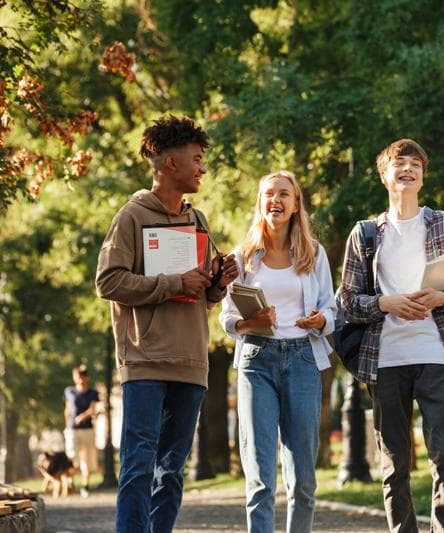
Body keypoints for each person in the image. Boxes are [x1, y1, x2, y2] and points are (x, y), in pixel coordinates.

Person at [95, 115, 238, 532]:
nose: (202, 168)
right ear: (168, 163)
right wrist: (174, 281)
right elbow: (108, 282)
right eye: (195, 159)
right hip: (145, 359)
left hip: (191, 360)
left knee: (172, 469)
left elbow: (204, 296)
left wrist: (217, 282)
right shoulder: (131, 217)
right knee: (139, 464)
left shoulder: (199, 221)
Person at [338, 139, 444, 532]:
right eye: (399, 164)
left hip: (439, 356)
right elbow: (348, 301)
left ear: (422, 176)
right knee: (394, 463)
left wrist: (441, 297)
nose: (408, 169)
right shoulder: (365, 234)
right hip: (386, 361)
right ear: (384, 174)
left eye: (416, 164)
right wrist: (386, 304)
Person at [218, 170, 336, 533]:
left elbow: (332, 310)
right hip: (257, 360)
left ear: (296, 203)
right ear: (260, 203)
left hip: (302, 360)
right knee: (260, 473)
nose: (276, 200)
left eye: (284, 194)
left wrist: (320, 321)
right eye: (270, 194)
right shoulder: (244, 256)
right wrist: (250, 324)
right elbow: (226, 317)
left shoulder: (314, 253)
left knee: (303, 477)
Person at [64, 365, 99, 498]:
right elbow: (67, 409)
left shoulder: (93, 393)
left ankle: (85, 486)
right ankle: (70, 483)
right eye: (77, 377)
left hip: (87, 430)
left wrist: (82, 417)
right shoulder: (69, 391)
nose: (80, 379)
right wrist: (67, 424)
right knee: (72, 457)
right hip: (72, 430)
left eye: (82, 376)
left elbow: (93, 409)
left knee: (87, 460)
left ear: (86, 377)